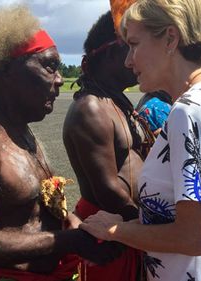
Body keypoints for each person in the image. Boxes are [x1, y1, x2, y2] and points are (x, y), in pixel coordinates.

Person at [80, 1, 201, 280]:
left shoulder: (189, 111)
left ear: (170, 38)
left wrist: (115, 231)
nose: (129, 61)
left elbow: (194, 238)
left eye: (134, 44)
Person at [0, 5, 122, 280]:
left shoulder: (19, 128)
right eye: (49, 66)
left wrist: (84, 231)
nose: (61, 80)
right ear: (6, 70)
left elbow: (43, 212)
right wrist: (70, 241)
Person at [63, 11, 150, 281]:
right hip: (107, 232)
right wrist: (149, 225)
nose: (136, 58)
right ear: (110, 53)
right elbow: (107, 187)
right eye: (131, 47)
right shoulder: (91, 107)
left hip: (127, 227)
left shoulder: (116, 102)